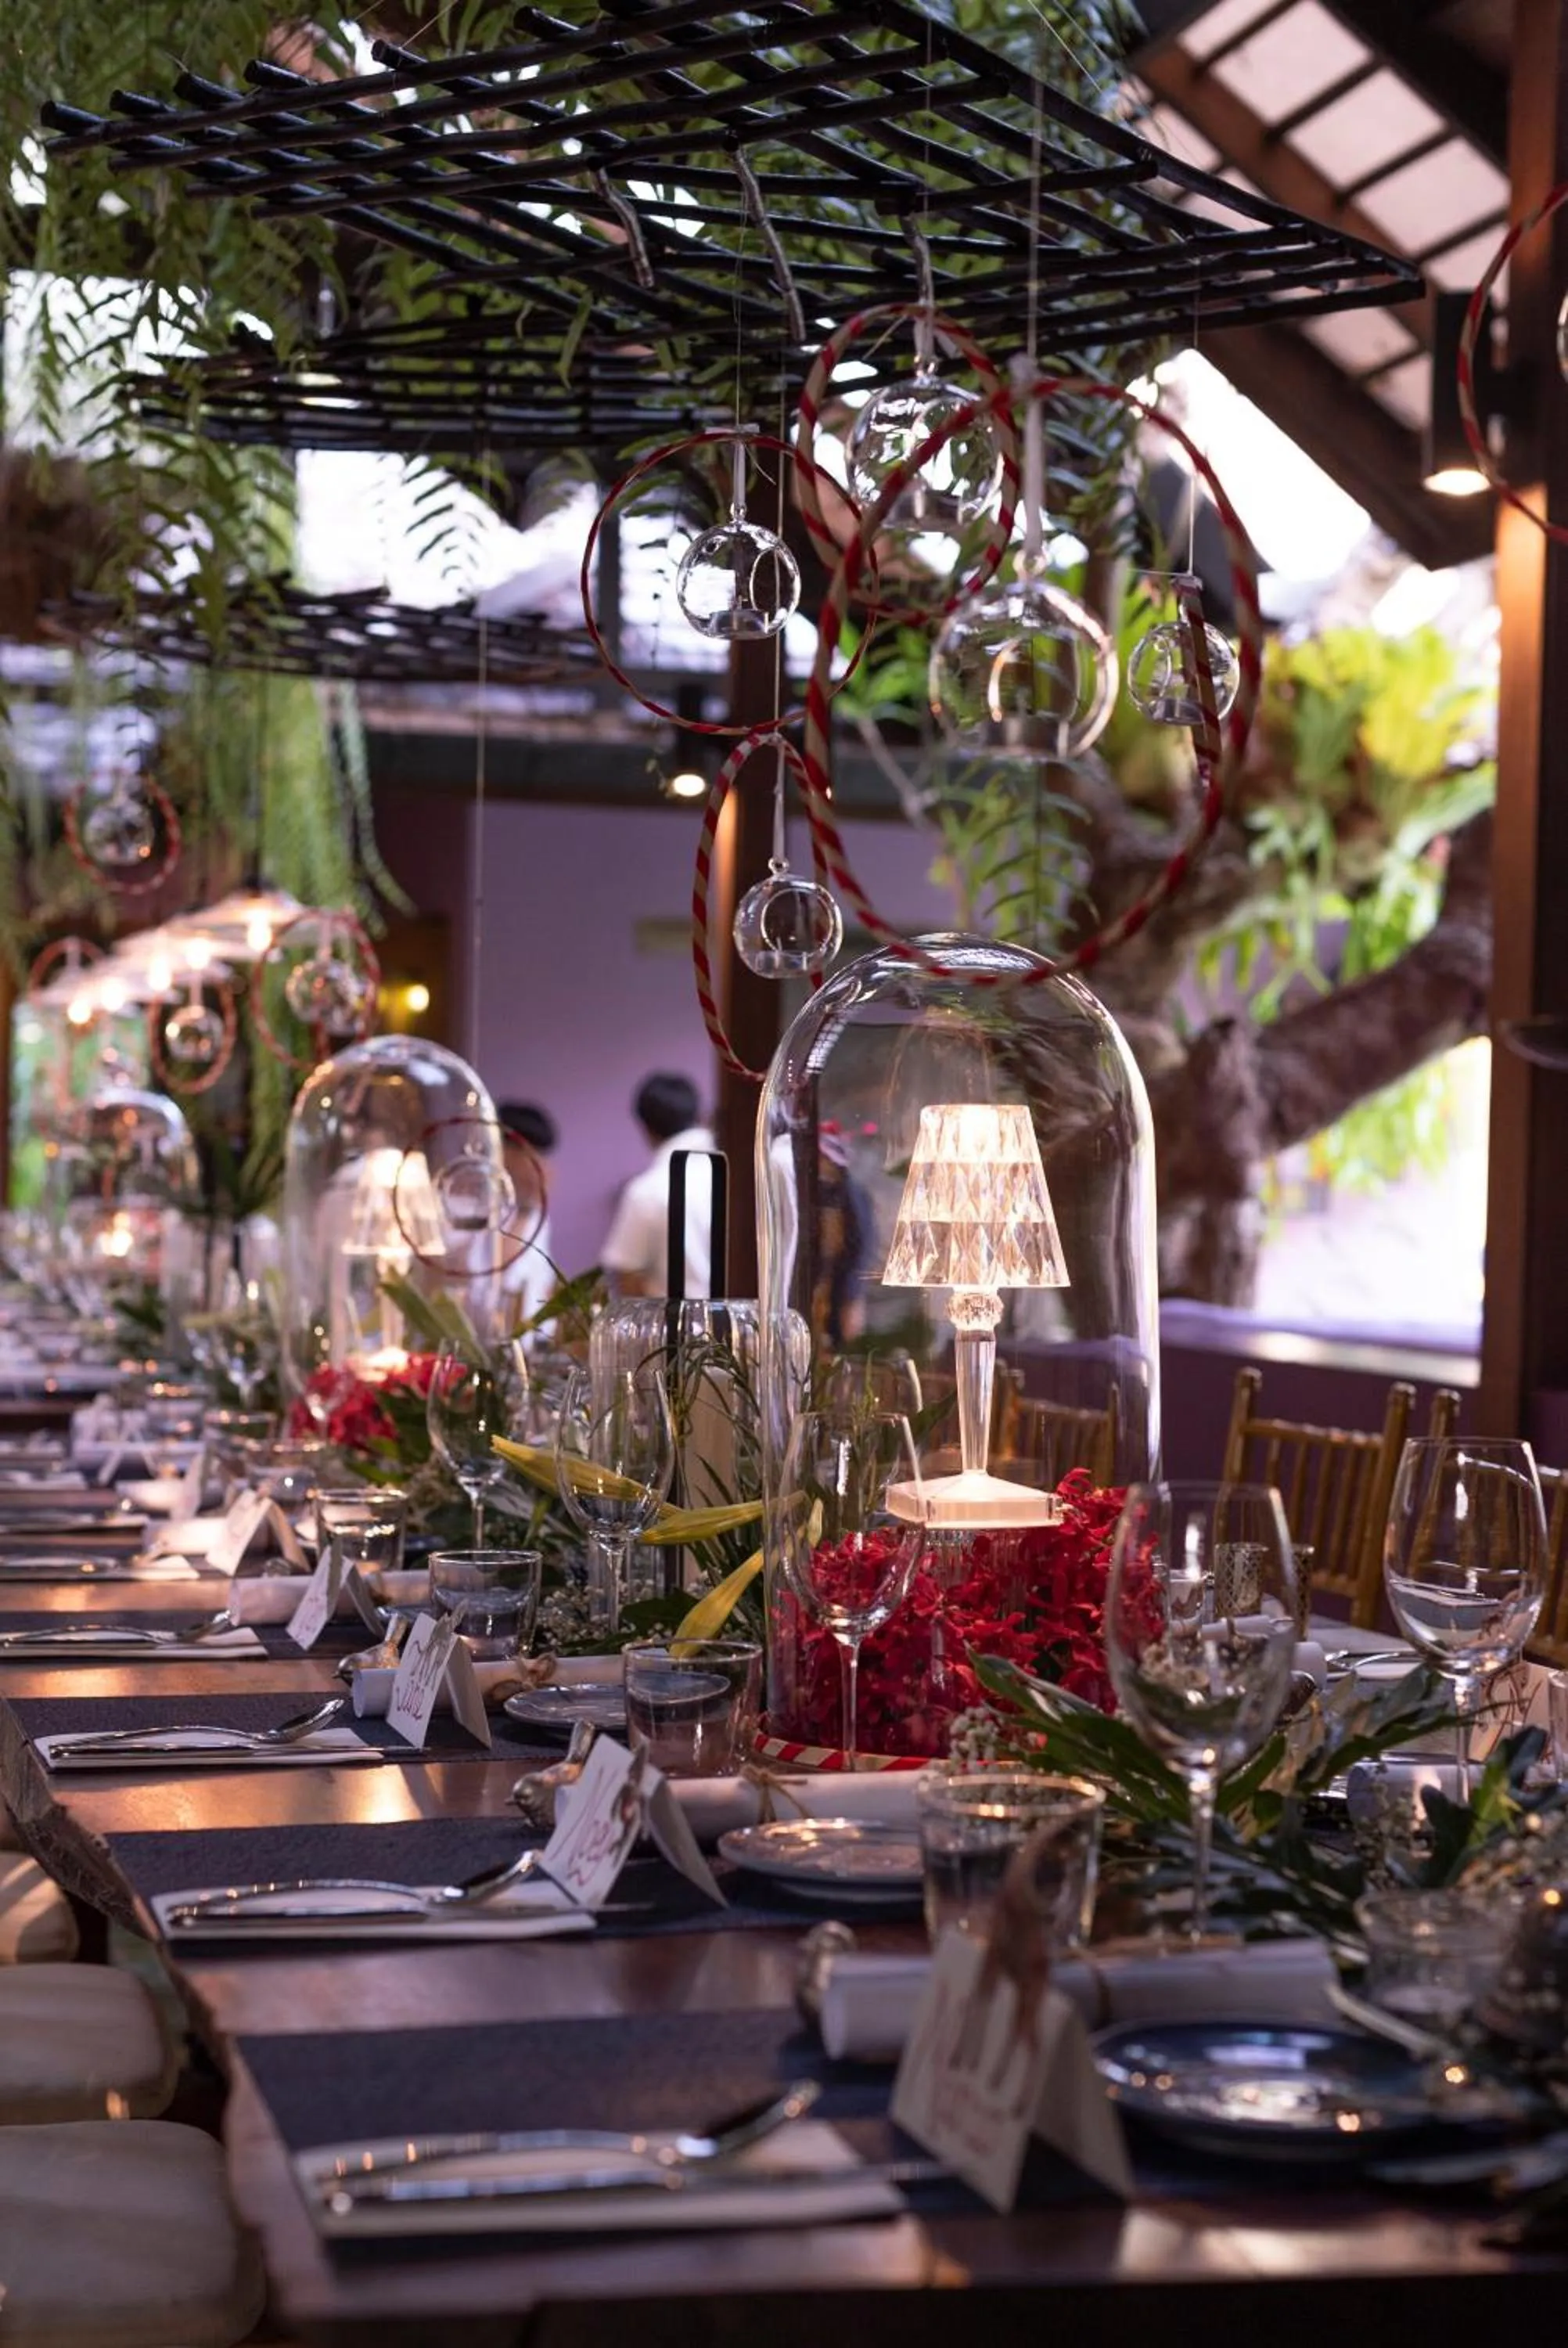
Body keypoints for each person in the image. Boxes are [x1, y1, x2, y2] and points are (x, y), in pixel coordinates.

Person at [601, 1073, 716, 1299]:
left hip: (673, 1319)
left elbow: (628, 1277)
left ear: (646, 1128)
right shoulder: (736, 1174)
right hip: (743, 1318)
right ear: (698, 1115)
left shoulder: (647, 1190)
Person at [496, 1100, 557, 1334]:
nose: (540, 1165)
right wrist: (526, 1209)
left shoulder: (535, 1213)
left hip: (535, 1340)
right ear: (505, 1152)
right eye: (531, 1154)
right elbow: (496, 1270)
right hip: (497, 1341)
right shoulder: (473, 1205)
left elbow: (542, 1279)